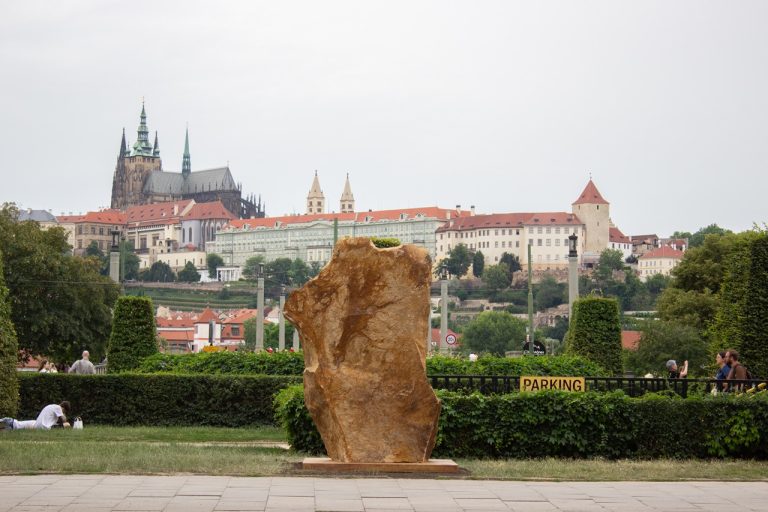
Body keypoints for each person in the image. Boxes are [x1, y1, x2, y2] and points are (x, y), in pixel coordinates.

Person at [1, 401, 71, 431]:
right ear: (63, 408)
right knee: (67, 424)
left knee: (32, 422)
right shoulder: (58, 408)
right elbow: (64, 420)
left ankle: (8, 424)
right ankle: (9, 425)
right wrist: (63, 414)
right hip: (44, 428)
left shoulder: (51, 406)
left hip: (38, 425)